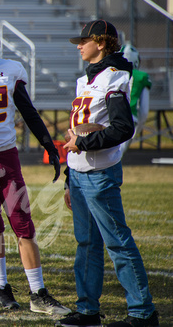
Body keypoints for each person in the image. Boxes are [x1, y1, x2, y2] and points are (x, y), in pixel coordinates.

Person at [0, 19, 69, 316]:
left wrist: (48, 144)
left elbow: (28, 111)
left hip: (6, 157)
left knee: (22, 223)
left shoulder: (11, 69)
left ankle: (38, 292)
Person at [57, 20, 159, 327]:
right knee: (86, 244)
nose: (79, 45)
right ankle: (88, 310)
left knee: (117, 242)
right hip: (78, 173)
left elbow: (122, 128)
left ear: (101, 43)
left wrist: (84, 141)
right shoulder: (84, 80)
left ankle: (143, 312)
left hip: (100, 173)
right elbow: (78, 132)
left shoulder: (115, 78)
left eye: (84, 40)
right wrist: (67, 176)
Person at [120, 44, 151, 153]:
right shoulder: (141, 76)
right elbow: (144, 110)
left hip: (109, 118)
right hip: (129, 119)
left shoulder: (111, 73)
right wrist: (138, 127)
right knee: (116, 157)